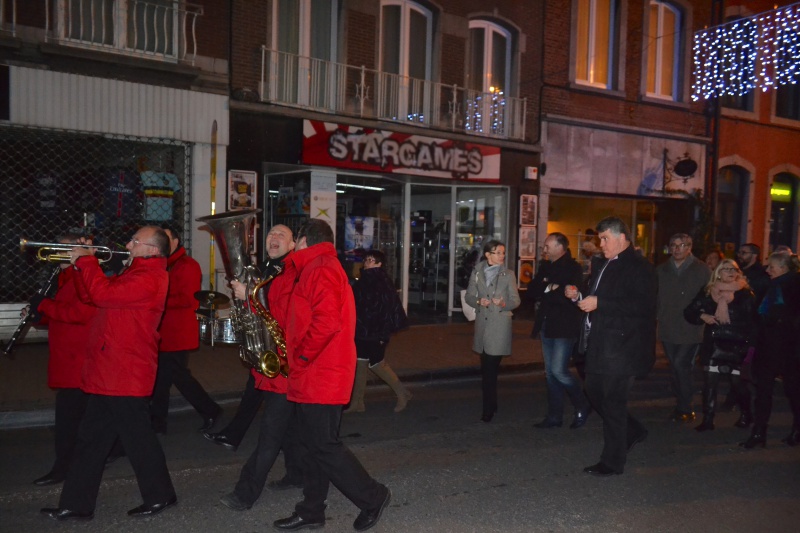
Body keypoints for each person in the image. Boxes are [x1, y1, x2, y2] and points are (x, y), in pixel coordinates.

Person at [41, 226, 177, 521]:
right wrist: (80, 268)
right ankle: (76, 505)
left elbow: (103, 294)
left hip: (126, 371)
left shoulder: (151, 277)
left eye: (134, 241)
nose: (127, 245)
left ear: (152, 250)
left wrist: (87, 261)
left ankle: (160, 496)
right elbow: (91, 297)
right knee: (90, 441)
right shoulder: (134, 271)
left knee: (139, 440)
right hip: (110, 370)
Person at [273, 219, 391, 532]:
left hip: (320, 372)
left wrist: (300, 356)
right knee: (313, 445)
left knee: (324, 445)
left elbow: (325, 324)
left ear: (302, 241)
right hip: (315, 372)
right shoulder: (316, 266)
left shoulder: (320, 267)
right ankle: (311, 510)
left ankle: (373, 496)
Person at [565, 217, 656, 477]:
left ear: (622, 238)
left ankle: (613, 462)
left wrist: (600, 302)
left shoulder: (640, 268)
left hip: (623, 346)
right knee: (593, 392)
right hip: (599, 343)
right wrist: (579, 297)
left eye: (605, 239)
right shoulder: (603, 264)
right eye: (600, 238)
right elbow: (595, 298)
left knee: (613, 402)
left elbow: (643, 306)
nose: (600, 244)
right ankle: (633, 430)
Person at [218, 229, 299, 512]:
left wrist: (250, 295)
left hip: (286, 366)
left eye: (281, 234)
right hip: (271, 364)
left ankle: (245, 493)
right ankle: (298, 474)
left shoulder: (291, 270)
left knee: (270, 433)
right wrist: (243, 299)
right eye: (270, 234)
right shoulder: (267, 269)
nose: (273, 237)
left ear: (292, 244)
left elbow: (282, 311)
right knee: (288, 428)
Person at [28, 234, 96, 486]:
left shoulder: (82, 275)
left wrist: (45, 305)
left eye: (63, 249)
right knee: (82, 417)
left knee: (67, 421)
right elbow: (60, 313)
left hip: (77, 359)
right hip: (68, 357)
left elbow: (80, 313)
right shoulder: (64, 277)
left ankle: (63, 468)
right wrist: (37, 315)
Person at [150, 226, 221, 435]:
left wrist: (156, 299)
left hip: (177, 335)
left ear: (176, 241)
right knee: (164, 379)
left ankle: (210, 410)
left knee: (177, 378)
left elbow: (188, 300)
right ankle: (158, 423)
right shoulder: (165, 264)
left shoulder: (187, 265)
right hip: (166, 334)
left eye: (166, 237)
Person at [684, 259, 756, 431]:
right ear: (718, 273)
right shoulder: (709, 291)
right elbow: (689, 311)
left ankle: (746, 413)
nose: (731, 272)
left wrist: (750, 347)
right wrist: (703, 316)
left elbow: (753, 322)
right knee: (710, 383)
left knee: (737, 383)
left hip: (737, 345)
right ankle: (708, 420)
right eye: (726, 269)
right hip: (715, 343)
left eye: (734, 269)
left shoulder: (745, 294)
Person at [529, 232, 590, 429]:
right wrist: (551, 287)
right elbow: (532, 291)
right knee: (550, 373)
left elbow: (570, 297)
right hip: (546, 324)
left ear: (560, 247)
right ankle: (554, 416)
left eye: (548, 245)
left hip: (564, 326)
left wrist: (548, 289)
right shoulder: (545, 266)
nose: (544, 249)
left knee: (559, 370)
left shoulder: (573, 267)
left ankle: (582, 404)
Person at [741, 253, 800, 448]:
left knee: (788, 390)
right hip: (774, 347)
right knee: (769, 391)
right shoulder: (775, 285)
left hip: (784, 347)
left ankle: (775, 431)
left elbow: (775, 317)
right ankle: (761, 432)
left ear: (784, 268)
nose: (767, 270)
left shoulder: (788, 286)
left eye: (772, 267)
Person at [347, 249, 412, 414]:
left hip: (375, 332)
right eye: (367, 259)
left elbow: (388, 309)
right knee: (360, 363)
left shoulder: (381, 281)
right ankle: (357, 402)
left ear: (379, 264)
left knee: (376, 363)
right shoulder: (364, 279)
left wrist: (384, 334)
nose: (367, 262)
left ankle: (402, 393)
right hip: (362, 329)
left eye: (371, 260)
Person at [464, 239, 521, 423]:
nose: (502, 256)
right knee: (488, 370)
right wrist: (479, 301)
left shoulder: (508, 274)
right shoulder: (477, 272)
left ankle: (488, 409)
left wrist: (504, 304)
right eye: (498, 252)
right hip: (482, 327)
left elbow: (516, 300)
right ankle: (492, 404)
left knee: (489, 370)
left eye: (503, 252)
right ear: (488, 255)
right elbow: (469, 296)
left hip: (499, 327)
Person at [656, 233, 711, 422]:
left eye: (682, 245)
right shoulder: (662, 270)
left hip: (691, 326)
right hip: (668, 324)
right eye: (674, 245)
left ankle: (685, 407)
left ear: (689, 248)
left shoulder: (702, 269)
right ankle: (681, 400)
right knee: (674, 366)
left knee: (682, 364)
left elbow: (710, 295)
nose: (677, 249)